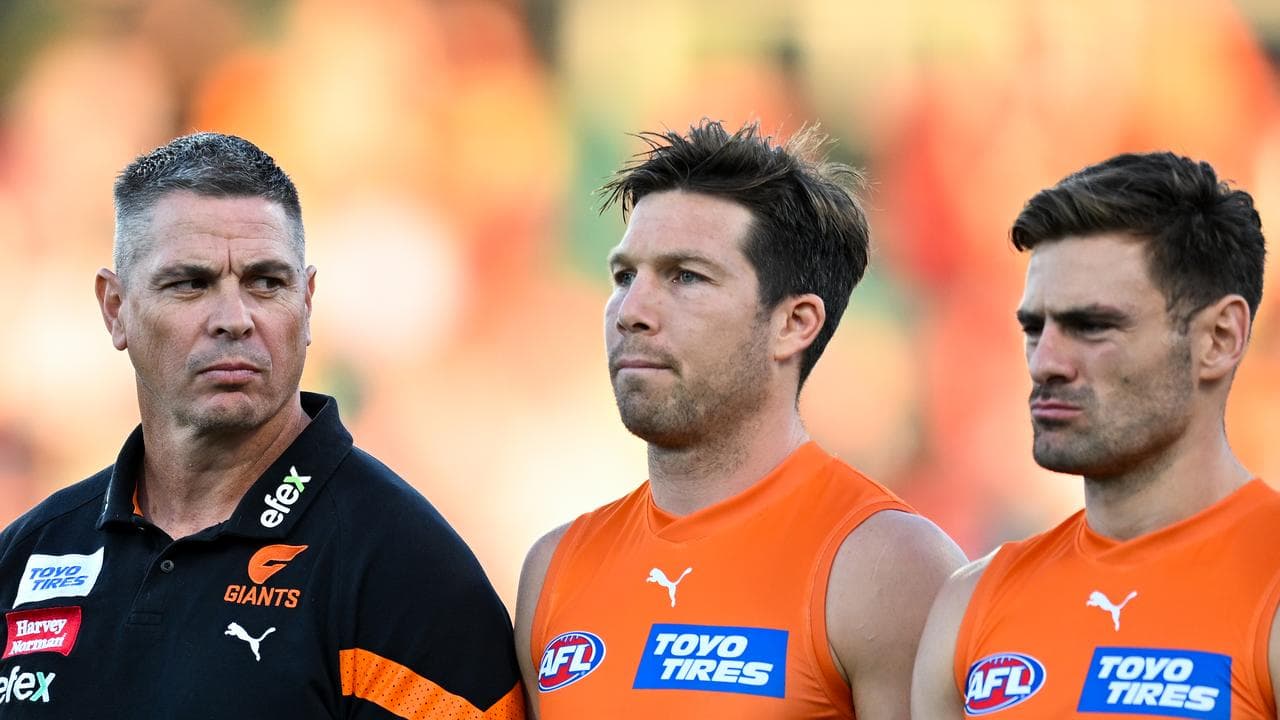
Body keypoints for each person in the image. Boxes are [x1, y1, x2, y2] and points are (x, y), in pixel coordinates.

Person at [0, 133, 524, 719]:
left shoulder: (404, 570)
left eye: (265, 283)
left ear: (307, 303)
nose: (234, 319)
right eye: (190, 283)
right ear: (115, 308)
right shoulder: (27, 554)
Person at [515, 119, 966, 719]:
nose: (632, 311)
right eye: (625, 276)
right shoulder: (556, 568)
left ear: (793, 323)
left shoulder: (884, 566)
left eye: (686, 277)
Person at [911, 152, 1280, 719]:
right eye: (1035, 328)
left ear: (1219, 338)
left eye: (1092, 326)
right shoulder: (970, 605)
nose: (1046, 363)